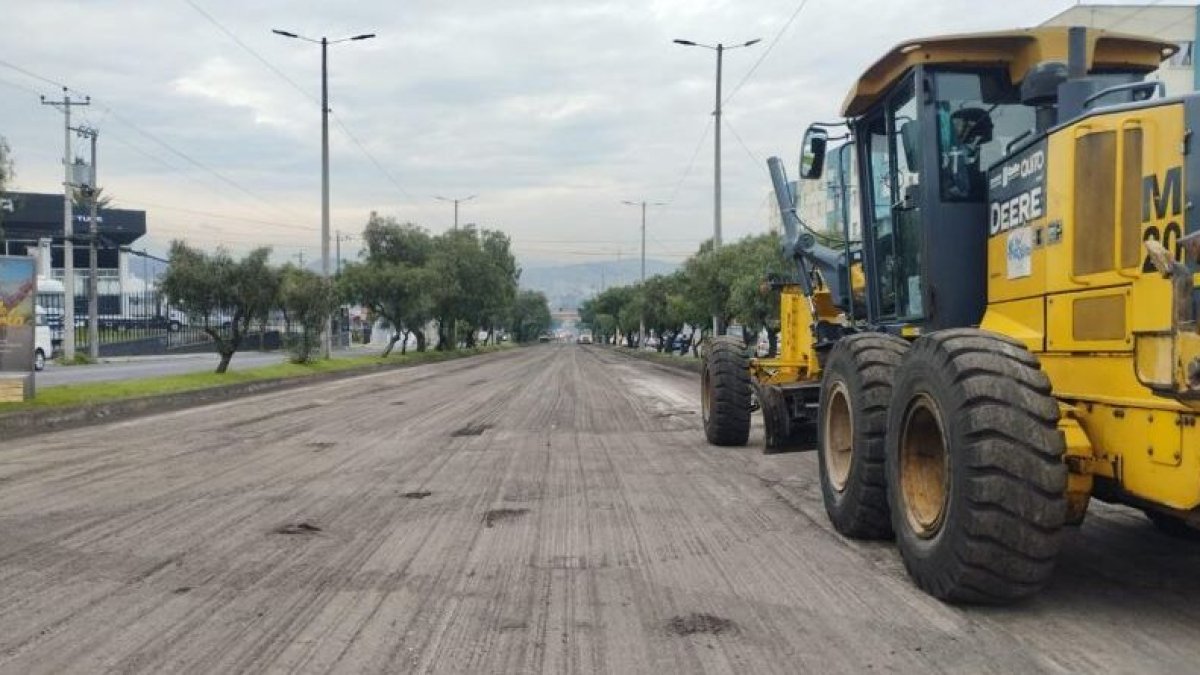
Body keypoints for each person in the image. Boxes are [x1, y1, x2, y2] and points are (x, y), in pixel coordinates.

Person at [942, 107, 993, 200]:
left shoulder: (990, 153)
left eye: (957, 124)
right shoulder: (958, 155)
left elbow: (974, 186)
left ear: (971, 125)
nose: (953, 130)